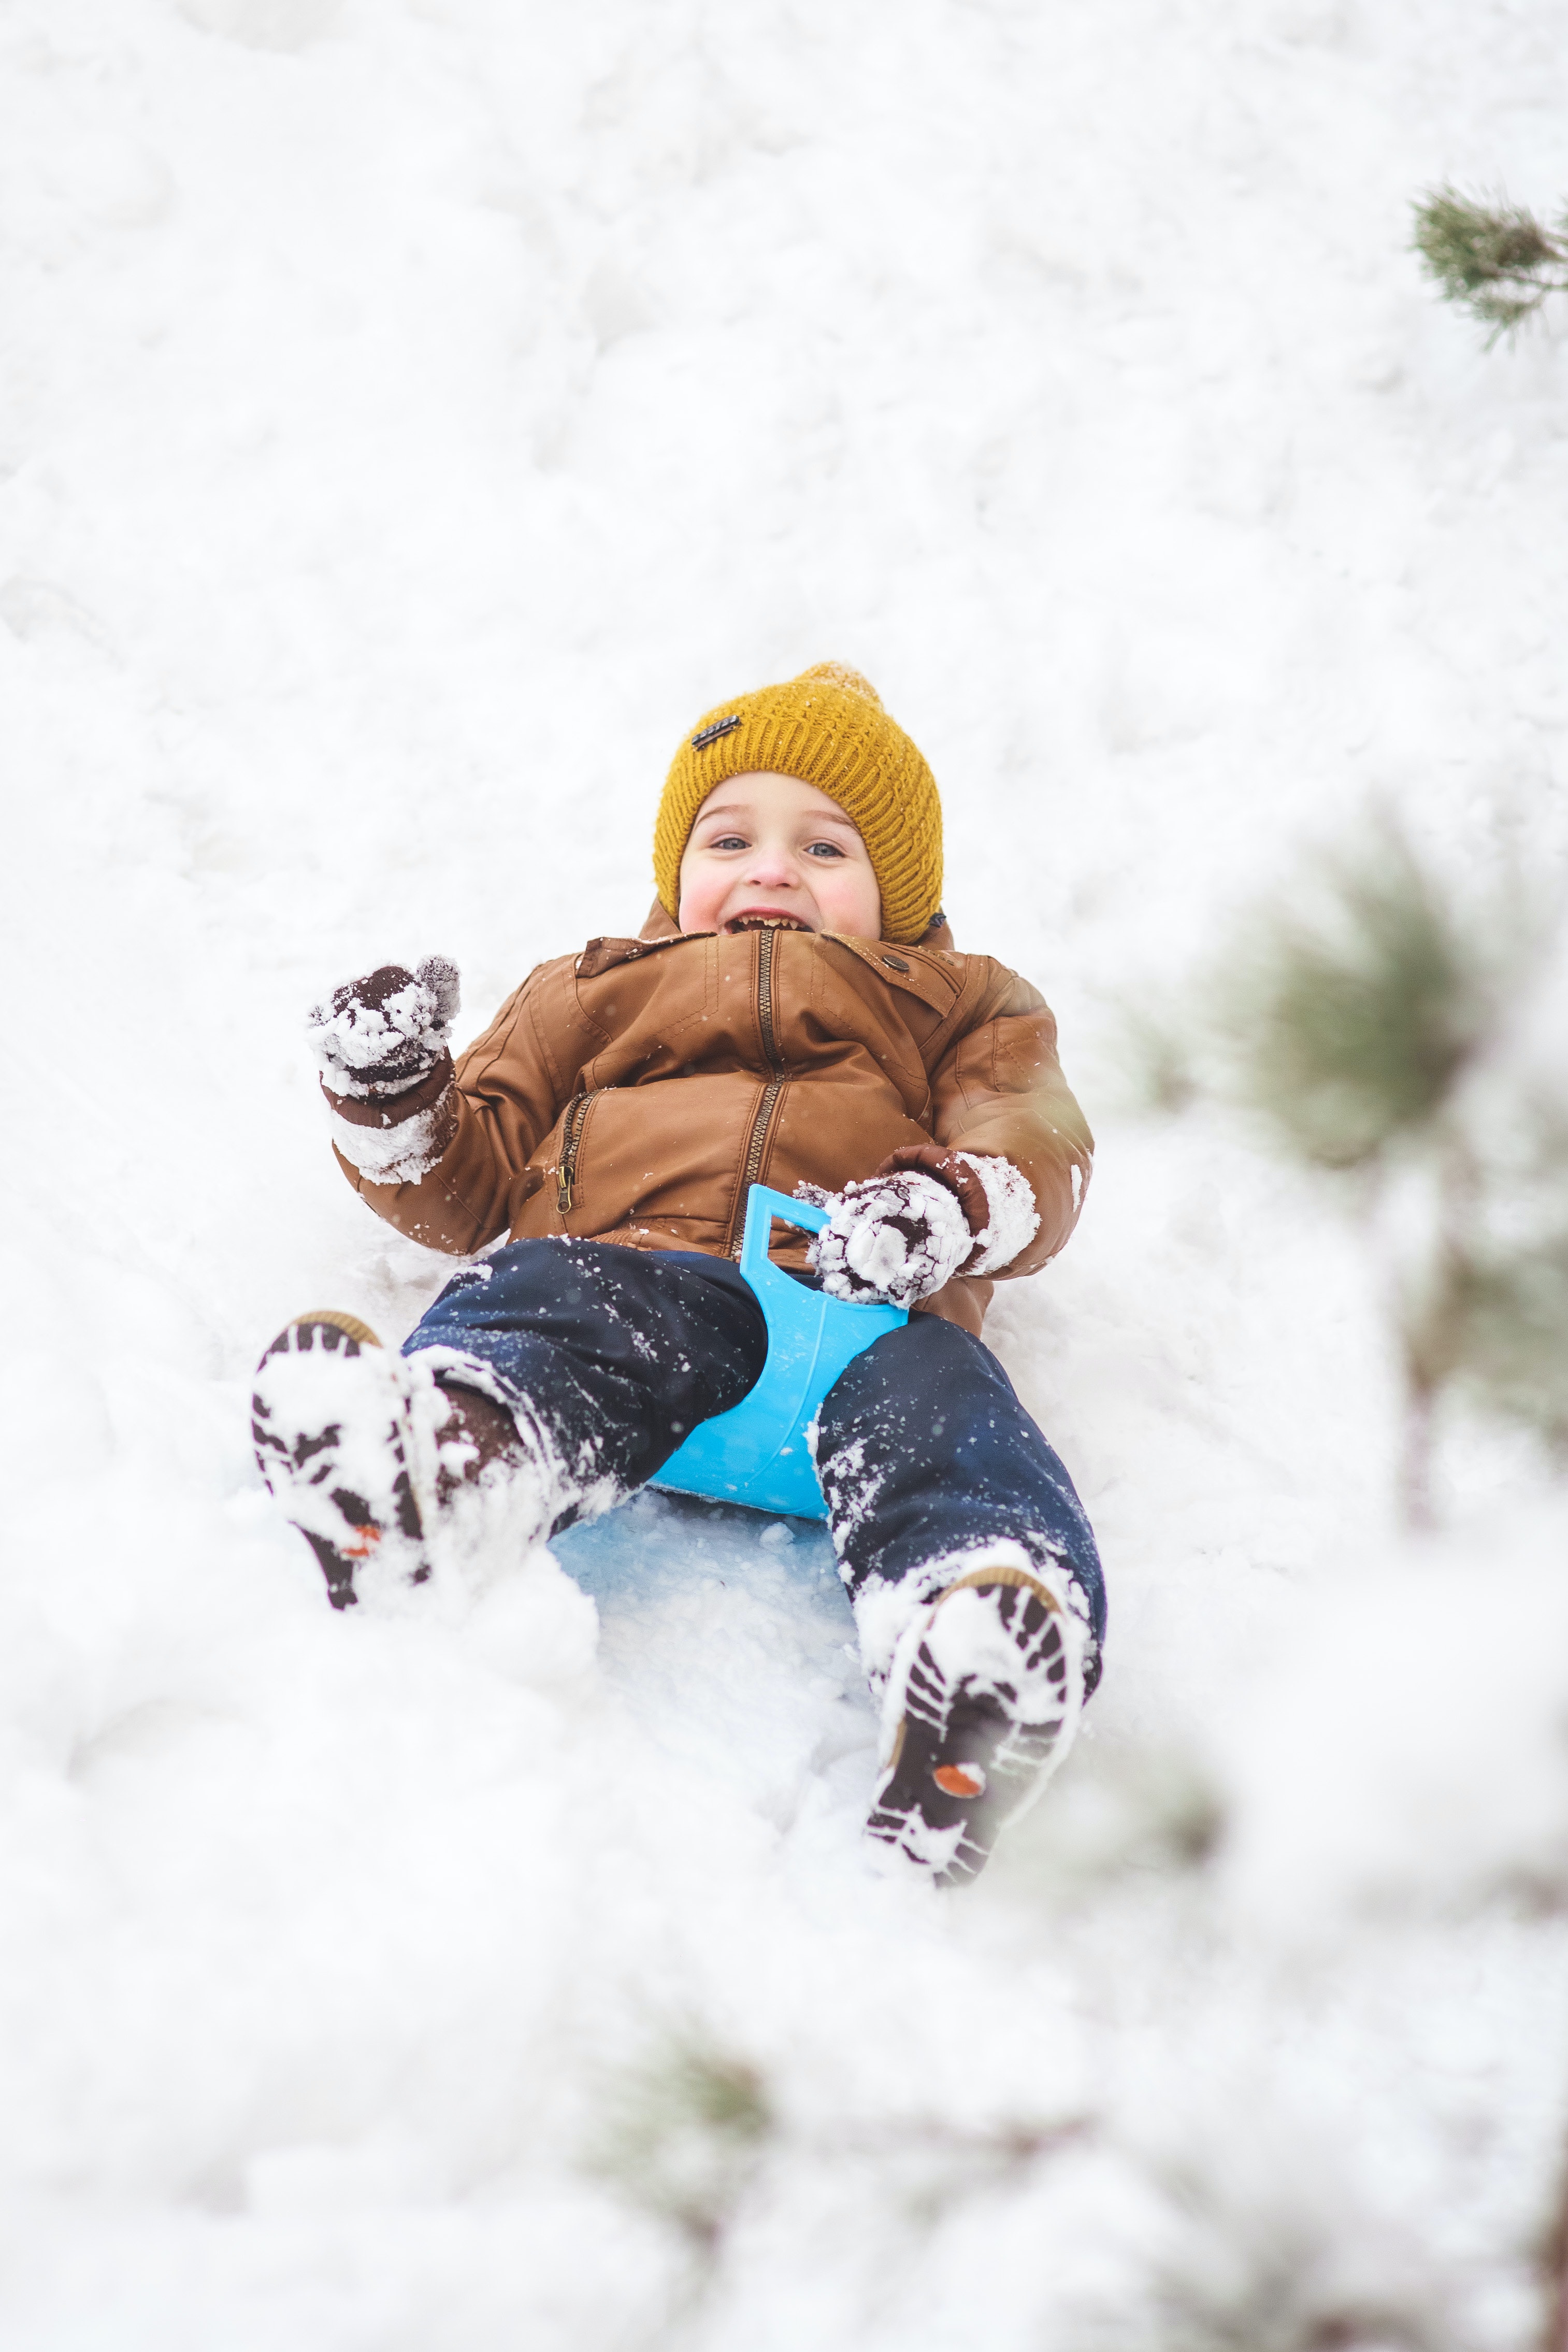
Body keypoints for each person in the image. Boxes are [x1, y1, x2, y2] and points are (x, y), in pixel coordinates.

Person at [252, 663, 1102, 1885]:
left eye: (823, 846)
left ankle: (973, 1641)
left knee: (949, 1412)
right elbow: (470, 1180)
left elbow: (1031, 1135)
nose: (769, 868)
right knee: (548, 1303)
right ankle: (450, 1468)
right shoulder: (588, 992)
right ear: (677, 870)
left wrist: (952, 1204)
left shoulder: (958, 1002)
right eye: (729, 835)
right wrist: (395, 1101)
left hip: (855, 1317)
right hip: (637, 1282)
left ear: (895, 899)